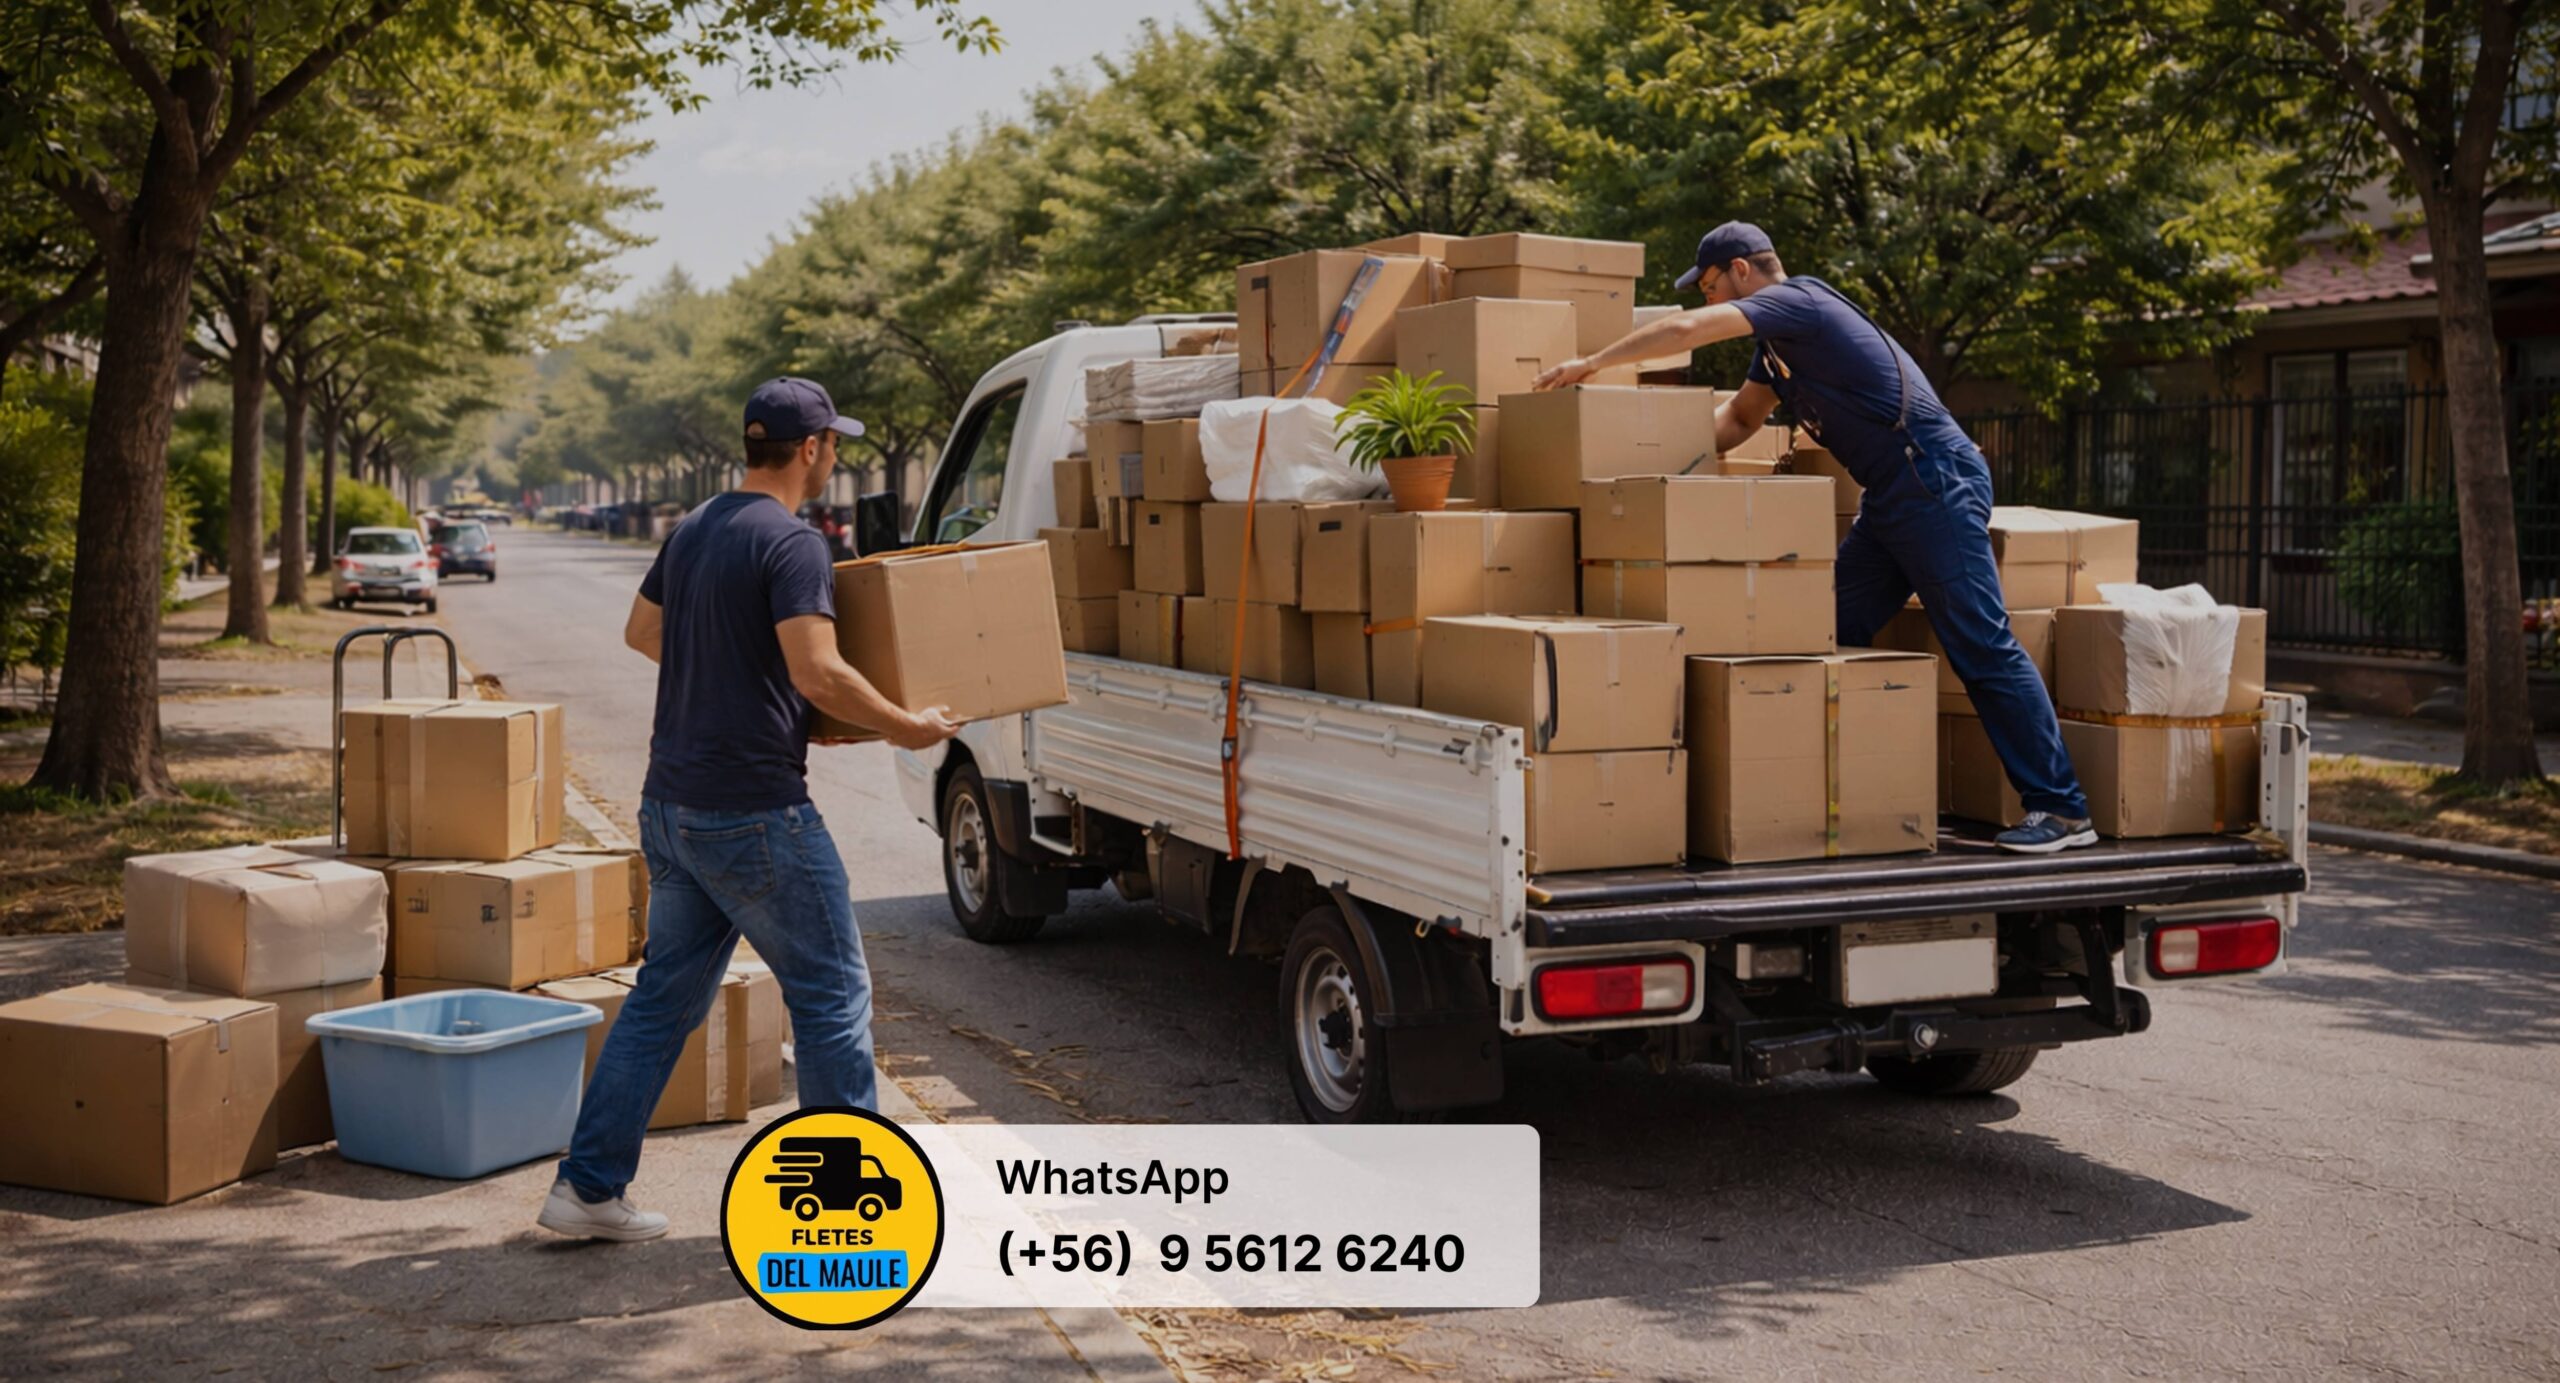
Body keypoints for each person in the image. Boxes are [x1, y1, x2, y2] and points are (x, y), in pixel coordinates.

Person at [538, 376, 960, 1242]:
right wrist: (906, 726)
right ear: (809, 450)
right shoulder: (795, 542)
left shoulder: (695, 527)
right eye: (833, 442)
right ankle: (848, 1222)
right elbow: (815, 668)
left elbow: (645, 633)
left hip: (672, 805)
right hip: (754, 813)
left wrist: (745, 694)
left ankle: (585, 1189)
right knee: (834, 994)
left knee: (663, 1001)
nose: (835, 454)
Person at [1532, 222, 2095, 854]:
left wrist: (1593, 364)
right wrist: (1640, 451)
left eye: (1713, 286)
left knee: (1980, 643)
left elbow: (1687, 330)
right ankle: (1836, 796)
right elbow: (1741, 418)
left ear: (1743, 270)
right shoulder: (1776, 348)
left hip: (1934, 479)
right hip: (1892, 497)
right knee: (1822, 627)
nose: (1712, 299)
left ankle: (2062, 810)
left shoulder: (1799, 303)